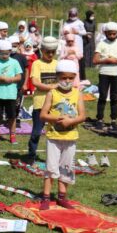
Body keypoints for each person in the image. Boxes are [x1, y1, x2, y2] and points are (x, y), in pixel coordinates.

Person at [39, 59, 86, 211]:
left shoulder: (77, 94)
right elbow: (43, 115)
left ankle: (62, 197)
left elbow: (82, 116)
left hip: (70, 138)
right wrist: (56, 119)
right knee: (51, 168)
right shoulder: (52, 93)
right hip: (53, 138)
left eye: (70, 78)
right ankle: (46, 197)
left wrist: (71, 121)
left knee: (66, 168)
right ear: (57, 77)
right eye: (63, 78)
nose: (67, 81)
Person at [27, 37, 60, 160]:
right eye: (48, 52)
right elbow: (35, 81)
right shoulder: (37, 63)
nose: (50, 54)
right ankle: (31, 154)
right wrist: (51, 86)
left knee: (55, 132)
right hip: (40, 103)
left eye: (53, 52)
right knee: (36, 132)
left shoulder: (58, 64)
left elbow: (61, 81)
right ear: (41, 50)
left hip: (55, 104)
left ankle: (55, 156)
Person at [93, 22, 117, 130]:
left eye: (114, 34)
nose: (112, 36)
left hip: (116, 73)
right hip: (104, 72)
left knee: (114, 97)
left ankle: (113, 119)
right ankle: (100, 119)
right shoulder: (101, 44)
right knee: (103, 96)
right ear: (105, 33)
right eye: (110, 34)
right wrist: (106, 60)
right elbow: (95, 60)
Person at [0, 40, 23, 144]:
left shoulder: (14, 62)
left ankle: (12, 135)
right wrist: (1, 78)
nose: (4, 56)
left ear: (10, 51)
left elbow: (19, 76)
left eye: (6, 53)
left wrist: (11, 79)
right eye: (2, 53)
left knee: (12, 116)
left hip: (11, 94)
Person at [62, 8, 87, 79]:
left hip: (78, 43)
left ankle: (81, 78)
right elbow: (62, 31)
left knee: (79, 59)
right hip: (68, 43)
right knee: (68, 58)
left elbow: (84, 32)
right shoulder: (66, 22)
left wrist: (77, 32)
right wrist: (65, 32)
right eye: (71, 15)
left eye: (74, 15)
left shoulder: (80, 22)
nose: (72, 16)